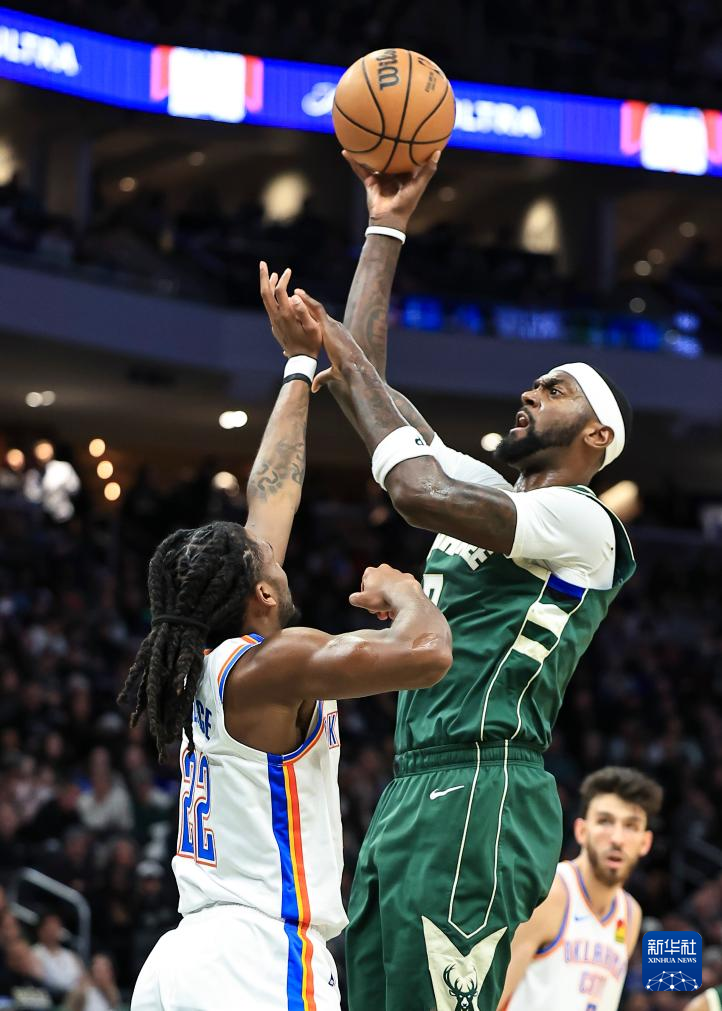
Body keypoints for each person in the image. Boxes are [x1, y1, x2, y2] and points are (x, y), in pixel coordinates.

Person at [281, 151, 637, 1011]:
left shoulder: (583, 520)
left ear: (595, 437)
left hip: (486, 780)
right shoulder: (493, 491)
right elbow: (367, 388)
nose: (530, 391)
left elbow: (412, 488)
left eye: (554, 390)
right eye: (535, 382)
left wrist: (328, 345)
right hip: (417, 782)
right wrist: (385, 227)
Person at [120, 264, 452, 1011]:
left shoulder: (206, 667)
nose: (273, 546)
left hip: (186, 957)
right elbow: (428, 654)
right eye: (266, 557)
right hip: (259, 958)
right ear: (262, 594)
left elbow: (272, 490)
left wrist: (298, 366)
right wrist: (406, 591)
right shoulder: (277, 662)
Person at [498, 766, 662, 1010]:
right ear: (581, 831)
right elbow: (491, 999)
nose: (617, 838)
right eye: (605, 821)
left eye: (631, 826)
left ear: (645, 842)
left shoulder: (630, 914)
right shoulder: (551, 894)